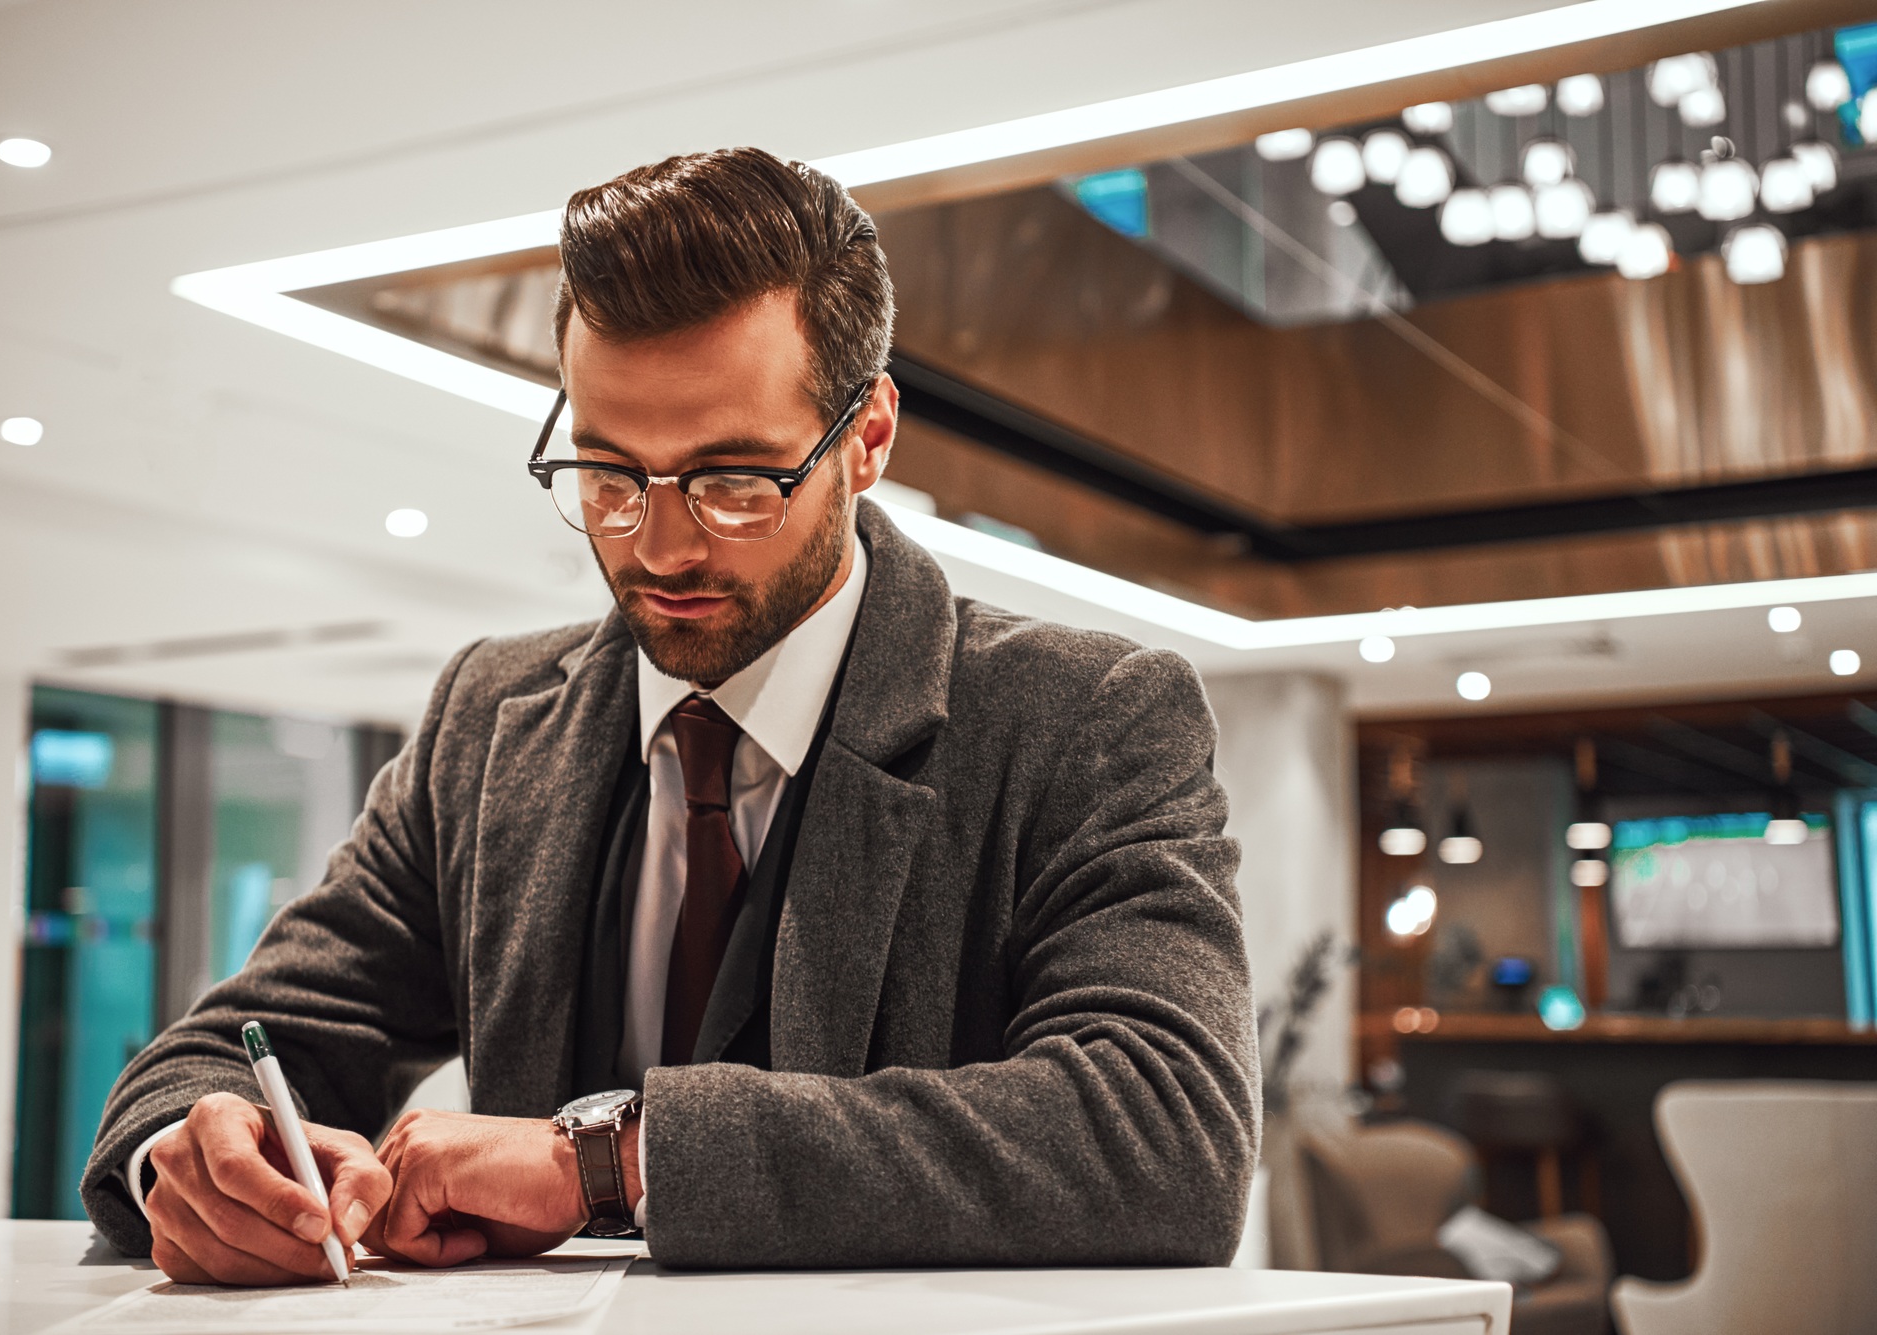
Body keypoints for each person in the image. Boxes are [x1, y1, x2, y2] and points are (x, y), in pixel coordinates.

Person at [81, 146, 1259, 1283]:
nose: (662, 543)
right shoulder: (487, 720)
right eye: (607, 476)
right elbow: (234, 1047)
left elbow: (1166, 1134)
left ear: (868, 439)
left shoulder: (1081, 718)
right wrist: (190, 1152)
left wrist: (606, 1161)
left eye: (735, 481)